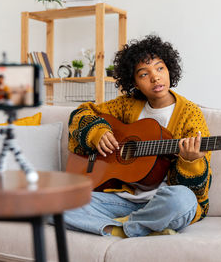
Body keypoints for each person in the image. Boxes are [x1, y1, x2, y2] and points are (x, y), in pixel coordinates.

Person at [65, 35, 212, 238]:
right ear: (133, 81)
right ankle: (142, 227)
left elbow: (196, 190)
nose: (155, 77)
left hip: (162, 202)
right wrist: (97, 132)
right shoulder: (127, 104)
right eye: (144, 74)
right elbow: (81, 113)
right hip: (121, 200)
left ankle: (122, 229)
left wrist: (190, 160)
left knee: (183, 200)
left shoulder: (190, 114)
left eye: (160, 68)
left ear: (170, 69)